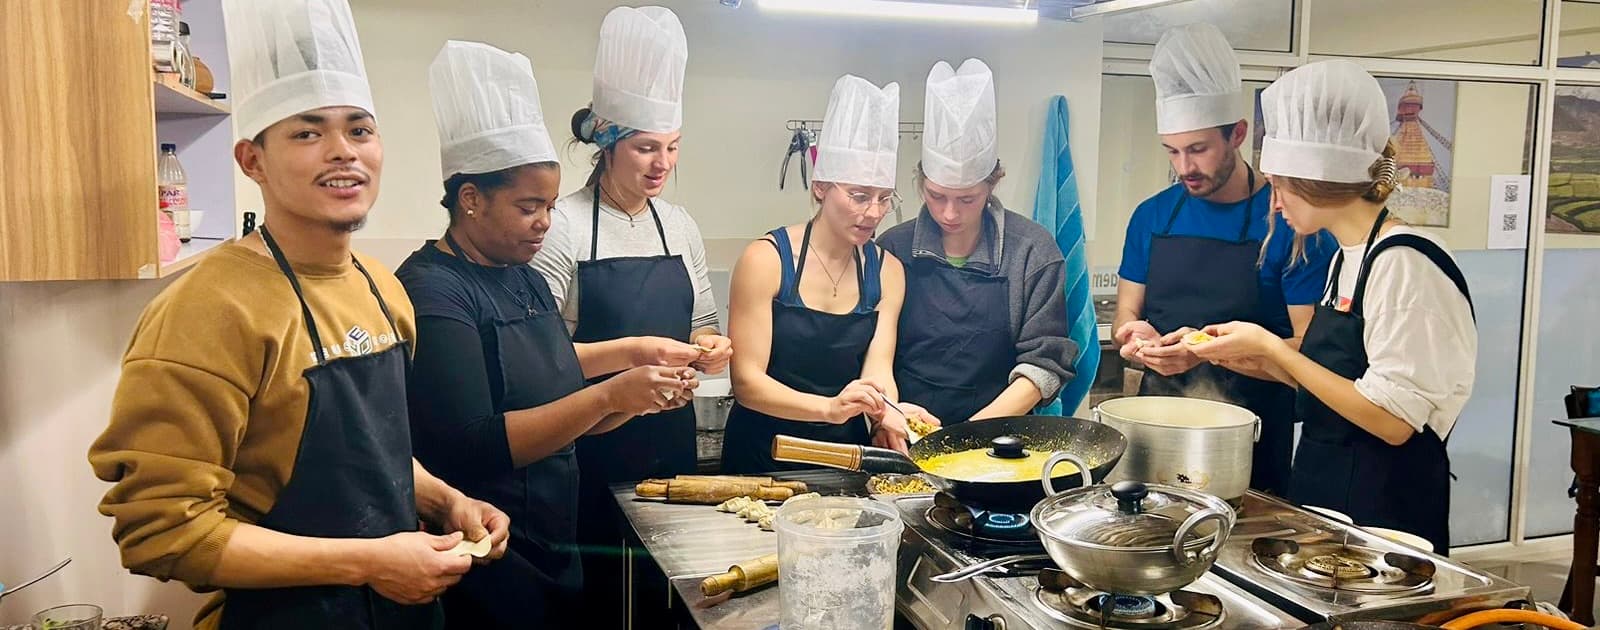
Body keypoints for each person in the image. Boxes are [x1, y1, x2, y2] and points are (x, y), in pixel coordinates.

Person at [88, 3, 509, 628]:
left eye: (360, 130)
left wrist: (448, 501)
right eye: (307, 133)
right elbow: (161, 531)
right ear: (251, 160)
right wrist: (368, 563)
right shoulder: (209, 308)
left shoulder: (382, 289)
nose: (343, 153)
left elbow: (374, 455)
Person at [396, 41, 698, 628]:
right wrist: (612, 394)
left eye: (552, 206)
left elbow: (561, 391)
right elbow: (474, 443)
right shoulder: (434, 290)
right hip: (485, 544)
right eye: (530, 206)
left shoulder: (521, 277)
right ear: (470, 199)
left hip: (556, 532)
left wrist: (639, 397)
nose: (545, 223)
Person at [1192, 60, 1475, 556]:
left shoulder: (1405, 263)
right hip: (1329, 495)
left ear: (1316, 181)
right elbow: (1342, 381)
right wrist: (1250, 359)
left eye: (1281, 187)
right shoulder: (1348, 257)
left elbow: (1392, 421)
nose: (1275, 205)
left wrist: (1274, 351)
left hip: (1386, 512)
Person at [527, 6, 727, 625]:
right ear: (607, 143)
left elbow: (702, 322)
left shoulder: (681, 224)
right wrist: (632, 363)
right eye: (645, 148)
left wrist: (711, 346)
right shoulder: (561, 226)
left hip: (671, 442)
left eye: (671, 148)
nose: (661, 164)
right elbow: (537, 360)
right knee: (604, 600)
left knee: (671, 597)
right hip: (589, 445)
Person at [1112, 23, 1335, 496]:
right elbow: (1126, 315)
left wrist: (1205, 351)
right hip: (1157, 425)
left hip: (1250, 433)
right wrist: (1134, 339)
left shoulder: (1292, 225)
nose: (1184, 168)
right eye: (1172, 151)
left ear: (1237, 133)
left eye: (1198, 149)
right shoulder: (1153, 216)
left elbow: (1311, 355)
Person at [724, 74, 924, 472]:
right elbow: (747, 382)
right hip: (763, 454)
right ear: (820, 187)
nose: (874, 213)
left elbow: (877, 367)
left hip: (846, 460)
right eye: (859, 196)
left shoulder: (887, 271)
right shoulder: (766, 260)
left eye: (885, 198)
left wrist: (888, 411)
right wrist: (829, 408)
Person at [879, 58, 1076, 425]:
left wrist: (969, 436)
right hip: (903, 434)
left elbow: (1045, 363)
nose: (950, 213)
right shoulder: (893, 249)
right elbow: (873, 355)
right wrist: (889, 417)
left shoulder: (1032, 251)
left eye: (967, 199)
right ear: (921, 183)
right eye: (936, 196)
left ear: (992, 184)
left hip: (1001, 440)